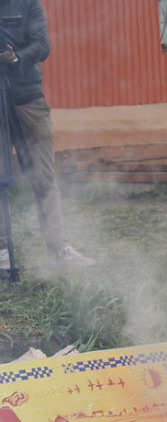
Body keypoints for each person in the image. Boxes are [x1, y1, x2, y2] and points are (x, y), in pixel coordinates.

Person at [0, 0, 94, 272]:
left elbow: (42, 45)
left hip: (29, 100)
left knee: (43, 176)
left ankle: (57, 248)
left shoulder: (29, 4)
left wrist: (15, 58)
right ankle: (2, 250)